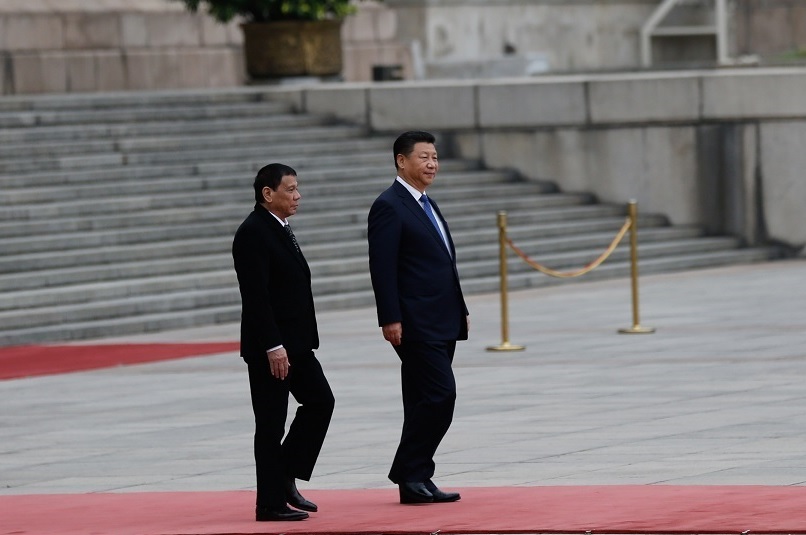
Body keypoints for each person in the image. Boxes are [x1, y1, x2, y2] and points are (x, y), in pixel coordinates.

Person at [367, 130, 469, 505]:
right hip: (414, 322)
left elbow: (443, 262)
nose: (432, 164)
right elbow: (383, 267)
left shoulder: (427, 202)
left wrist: (461, 309)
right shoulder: (389, 205)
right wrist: (390, 317)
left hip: (441, 317)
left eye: (435, 158)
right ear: (401, 161)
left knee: (421, 398)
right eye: (424, 157)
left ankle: (416, 479)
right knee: (441, 394)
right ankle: (408, 468)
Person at [232, 163, 335, 522]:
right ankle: (270, 504)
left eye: (297, 188)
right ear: (267, 194)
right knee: (272, 424)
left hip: (297, 345)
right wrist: (273, 346)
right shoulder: (253, 233)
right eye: (290, 189)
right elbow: (256, 297)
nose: (297, 195)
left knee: (321, 401)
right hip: (271, 349)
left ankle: (284, 477)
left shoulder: (280, 228)